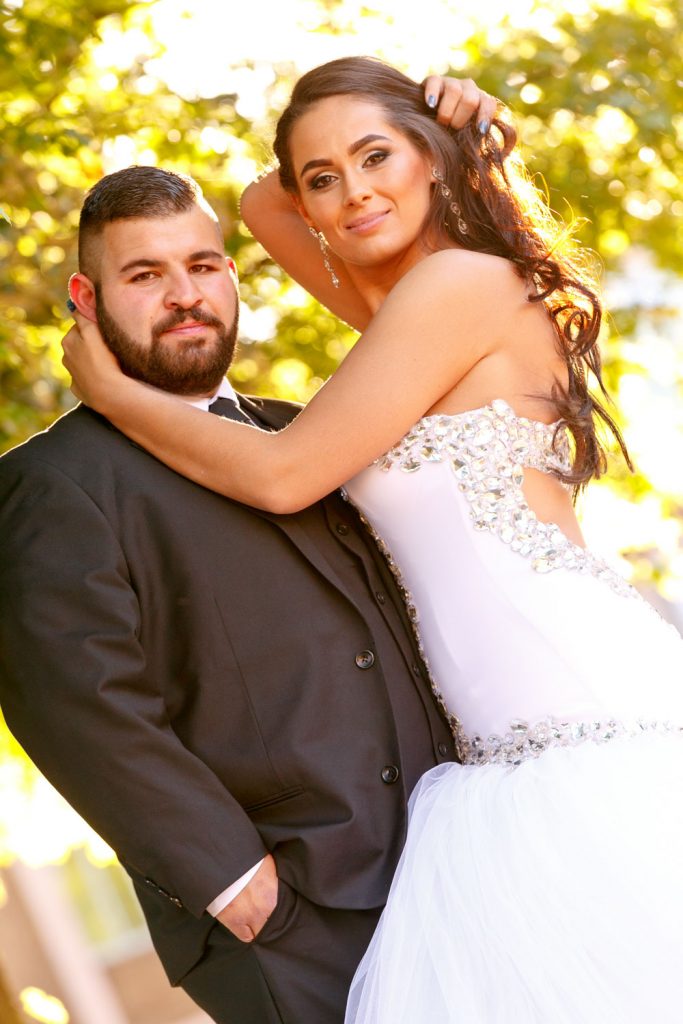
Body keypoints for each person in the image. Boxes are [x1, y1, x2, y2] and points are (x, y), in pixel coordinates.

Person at [61, 56, 683, 1023]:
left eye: (375, 156)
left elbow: (280, 472)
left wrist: (112, 395)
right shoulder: (411, 311)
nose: (350, 194)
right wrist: (397, 138)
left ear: (430, 159)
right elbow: (259, 204)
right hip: (497, 748)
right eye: (323, 177)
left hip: (579, 710)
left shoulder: (453, 290)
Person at [0, 73, 492, 1024]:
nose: (186, 296)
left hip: (451, 869)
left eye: (204, 265)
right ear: (86, 298)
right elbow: (80, 705)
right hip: (292, 918)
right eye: (145, 276)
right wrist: (233, 884)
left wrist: (452, 140)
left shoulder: (300, 433)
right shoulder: (52, 484)